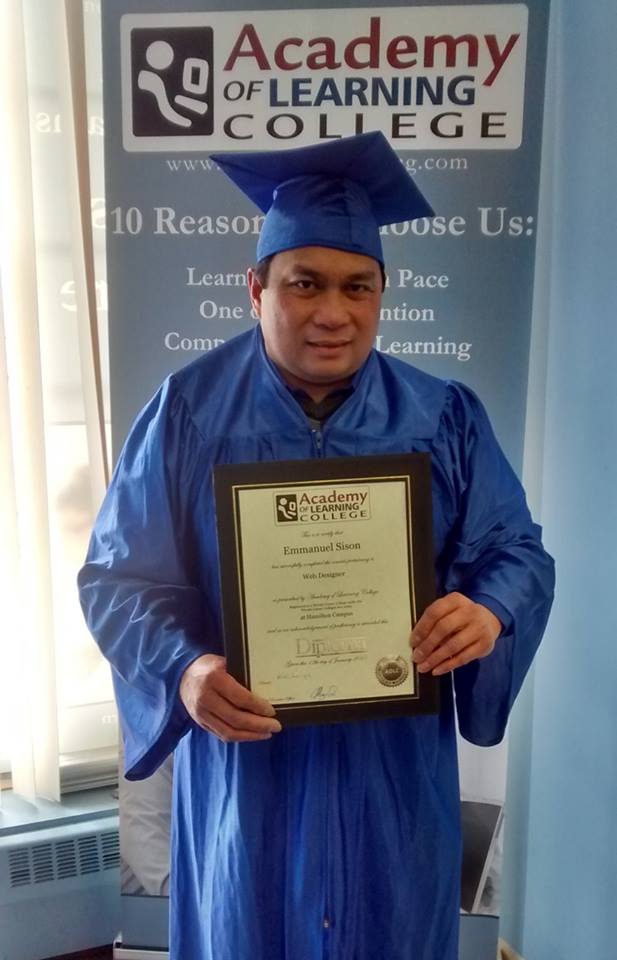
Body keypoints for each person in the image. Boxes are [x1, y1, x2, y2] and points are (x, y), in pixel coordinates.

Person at [78, 131, 554, 960]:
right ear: (255, 287)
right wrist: (187, 670)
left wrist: (487, 612)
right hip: (249, 760)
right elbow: (119, 581)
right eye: (304, 284)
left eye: (356, 287)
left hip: (390, 764)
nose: (332, 312)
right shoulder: (187, 413)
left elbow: (516, 551)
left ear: (381, 293)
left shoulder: (442, 416)